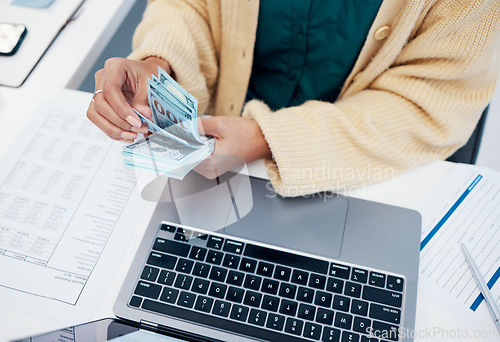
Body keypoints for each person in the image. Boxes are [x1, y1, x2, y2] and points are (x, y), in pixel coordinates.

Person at [86, 0, 500, 197]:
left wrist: (266, 139)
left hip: (359, 170)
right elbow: (190, 6)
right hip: (216, 159)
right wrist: (161, 62)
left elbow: (427, 100)